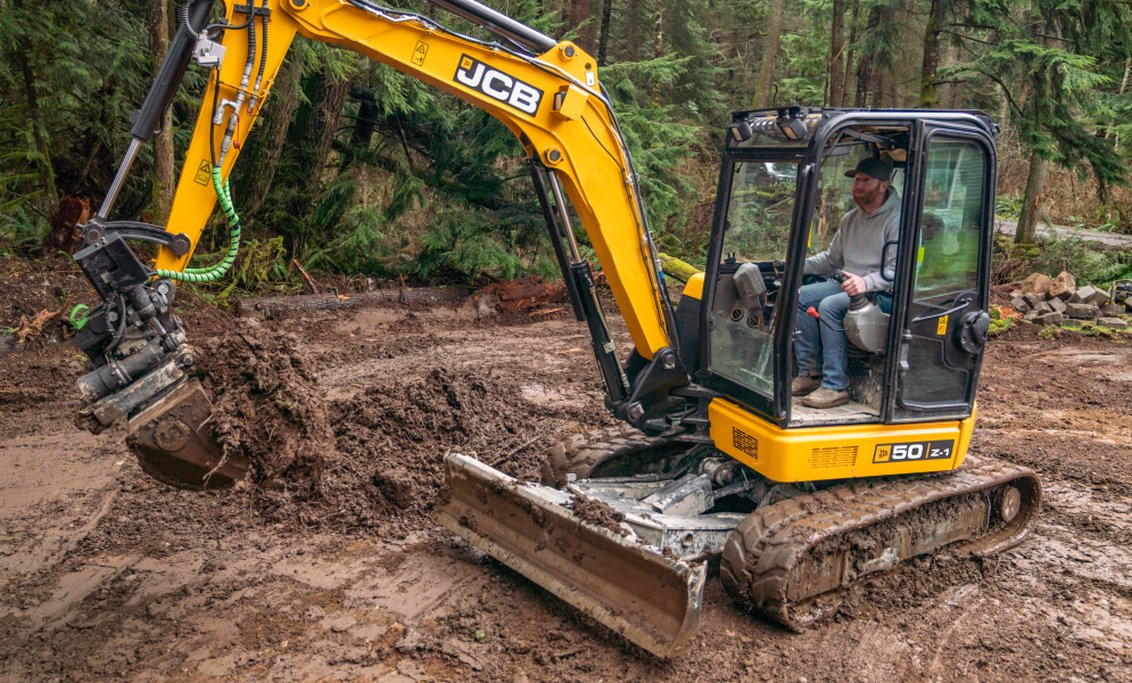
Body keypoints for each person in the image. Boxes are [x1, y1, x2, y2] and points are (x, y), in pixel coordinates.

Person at [793, 157, 899, 409]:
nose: (858, 185)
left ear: (883, 185)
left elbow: (898, 270)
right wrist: (795, 265)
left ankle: (835, 386)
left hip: (885, 292)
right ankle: (810, 373)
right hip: (847, 284)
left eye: (865, 180)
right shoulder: (851, 219)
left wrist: (866, 282)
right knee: (798, 296)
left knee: (830, 305)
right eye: (856, 180)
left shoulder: (899, 219)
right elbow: (832, 259)